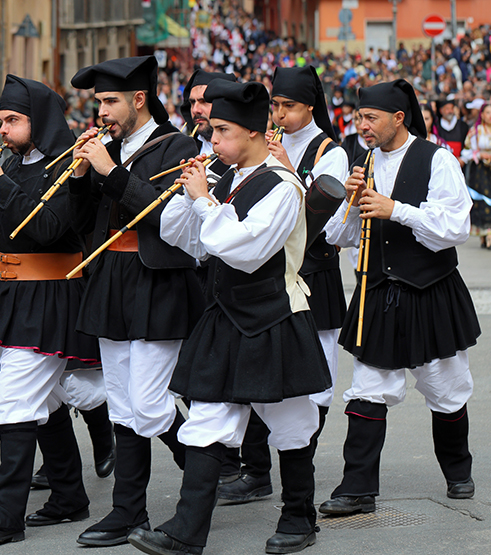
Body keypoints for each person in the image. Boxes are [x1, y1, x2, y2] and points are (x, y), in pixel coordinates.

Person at [128, 78, 331, 555]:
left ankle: (300, 516)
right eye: (212, 131)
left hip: (274, 318)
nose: (213, 141)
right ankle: (186, 531)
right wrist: (187, 196)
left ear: (256, 133)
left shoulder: (283, 187)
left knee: (292, 423)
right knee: (207, 422)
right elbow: (194, 243)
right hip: (226, 319)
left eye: (222, 131)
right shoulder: (226, 178)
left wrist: (204, 200)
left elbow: (246, 250)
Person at [320, 79, 481, 516]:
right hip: (377, 292)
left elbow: (455, 229)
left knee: (446, 390)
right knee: (368, 390)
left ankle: (458, 470)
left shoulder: (438, 159)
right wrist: (350, 202)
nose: (362, 127)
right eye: (358, 118)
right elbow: (338, 236)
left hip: (430, 290)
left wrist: (396, 210)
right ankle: (357, 489)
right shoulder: (362, 161)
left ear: (398, 118)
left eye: (370, 118)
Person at [67, 55, 203, 547]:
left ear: (139, 100)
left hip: (156, 281)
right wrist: (84, 175)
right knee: (123, 405)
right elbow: (81, 224)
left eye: (109, 101)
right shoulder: (108, 147)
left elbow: (166, 217)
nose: (101, 111)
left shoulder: (178, 145)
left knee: (147, 404)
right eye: (99, 101)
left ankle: (204, 465)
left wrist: (109, 170)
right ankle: (129, 513)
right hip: (110, 281)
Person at [0, 74, 98, 545]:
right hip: (9, 291)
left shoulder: (69, 165)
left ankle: (5, 516)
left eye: (13, 120)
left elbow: (48, 227)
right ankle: (68, 497)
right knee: (50, 399)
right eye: (1, 120)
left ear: (38, 121)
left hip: (49, 293)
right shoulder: (8, 162)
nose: (2, 129)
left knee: (17, 402)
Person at [218, 65, 349, 504]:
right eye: (274, 106)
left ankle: (299, 468)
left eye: (289, 107)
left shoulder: (330, 149)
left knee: (314, 383)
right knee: (257, 379)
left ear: (310, 107)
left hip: (313, 275)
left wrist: (290, 168)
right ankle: (257, 472)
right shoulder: (257, 142)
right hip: (264, 278)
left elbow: (329, 214)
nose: (279, 115)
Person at [179, 69, 236, 178]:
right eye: (192, 102)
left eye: (204, 101)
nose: (195, 110)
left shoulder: (243, 153)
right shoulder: (184, 149)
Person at [462, 102, 491, 247]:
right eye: (487, 112)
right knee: (483, 200)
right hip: (481, 171)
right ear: (482, 115)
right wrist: (479, 155)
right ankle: (484, 233)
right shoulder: (476, 131)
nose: (490, 116)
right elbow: (466, 151)